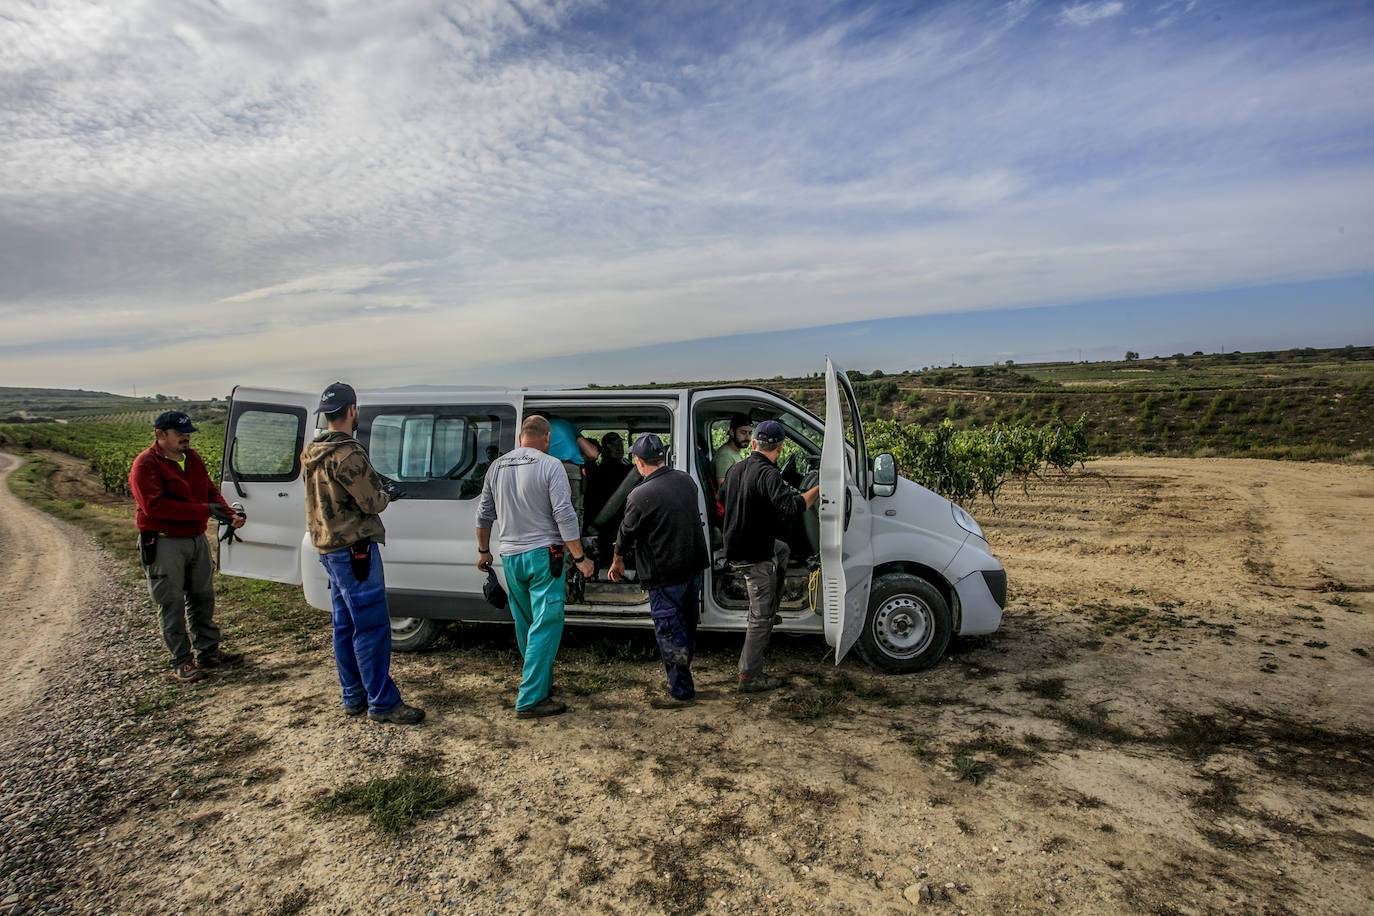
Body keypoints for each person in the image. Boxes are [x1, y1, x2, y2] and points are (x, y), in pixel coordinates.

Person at [301, 382, 424, 725]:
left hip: (328, 547)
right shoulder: (348, 453)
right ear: (353, 410)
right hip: (355, 550)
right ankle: (383, 703)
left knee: (344, 625)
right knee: (371, 627)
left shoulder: (312, 452)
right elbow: (372, 502)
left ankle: (353, 695)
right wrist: (387, 493)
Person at [476, 415, 595, 719]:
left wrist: (483, 551)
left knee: (526, 623)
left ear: (520, 438)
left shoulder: (497, 467)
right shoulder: (551, 464)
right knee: (547, 623)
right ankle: (529, 699)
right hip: (545, 556)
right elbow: (565, 514)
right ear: (546, 438)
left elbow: (484, 515)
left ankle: (540, 684)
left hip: (510, 557)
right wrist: (580, 558)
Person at [130, 410, 247, 683]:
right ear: (160, 435)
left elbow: (208, 490)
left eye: (188, 433)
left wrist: (228, 513)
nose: (186, 438)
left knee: (202, 597)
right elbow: (154, 506)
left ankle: (208, 652)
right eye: (180, 434)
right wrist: (203, 510)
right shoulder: (145, 464)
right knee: (170, 603)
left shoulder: (191, 459)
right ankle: (181, 661)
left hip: (195, 539)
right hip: (164, 540)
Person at [608, 434, 709, 709]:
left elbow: (626, 533)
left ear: (639, 462)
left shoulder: (639, 495)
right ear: (662, 457)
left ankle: (681, 691)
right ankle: (683, 674)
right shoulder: (686, 481)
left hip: (664, 574)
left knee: (669, 630)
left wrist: (617, 559)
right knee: (687, 626)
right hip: (692, 568)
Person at [719, 419, 820, 693]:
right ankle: (749, 676)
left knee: (783, 549)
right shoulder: (769, 474)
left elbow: (723, 494)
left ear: (754, 444)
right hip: (753, 553)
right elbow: (791, 506)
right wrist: (820, 489)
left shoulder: (736, 468)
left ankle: (772, 609)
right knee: (759, 617)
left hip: (737, 543)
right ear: (780, 448)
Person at [544, 416, 600, 535]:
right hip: (570, 470)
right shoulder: (566, 424)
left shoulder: (536, 428)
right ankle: (574, 552)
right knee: (572, 513)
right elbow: (593, 454)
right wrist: (578, 457)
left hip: (545, 470)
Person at [586, 432, 633, 564]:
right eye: (613, 445)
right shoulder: (603, 470)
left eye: (620, 444)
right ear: (606, 449)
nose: (619, 448)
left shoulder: (626, 464)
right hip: (608, 517)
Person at [712, 414, 752, 487]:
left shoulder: (734, 451)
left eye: (750, 433)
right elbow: (724, 491)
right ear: (732, 432)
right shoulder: (725, 457)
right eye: (743, 432)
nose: (748, 438)